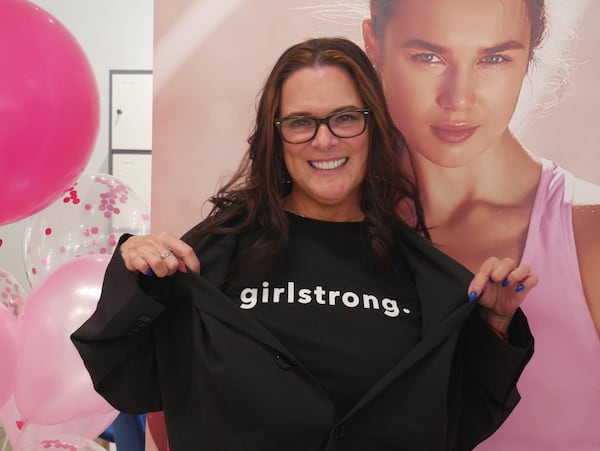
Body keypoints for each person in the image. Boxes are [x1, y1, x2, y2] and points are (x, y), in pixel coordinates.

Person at [72, 37, 537, 451]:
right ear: (276, 136)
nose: (324, 140)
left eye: (345, 118)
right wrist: (136, 281)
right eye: (300, 123)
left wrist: (494, 326)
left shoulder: (424, 276)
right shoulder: (214, 256)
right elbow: (130, 383)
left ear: (372, 126)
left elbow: (461, 422)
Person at [361, 0, 600, 449]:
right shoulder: (310, 237)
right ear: (373, 43)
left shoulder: (591, 238)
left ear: (531, 51)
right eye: (429, 57)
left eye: (493, 58)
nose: (459, 98)